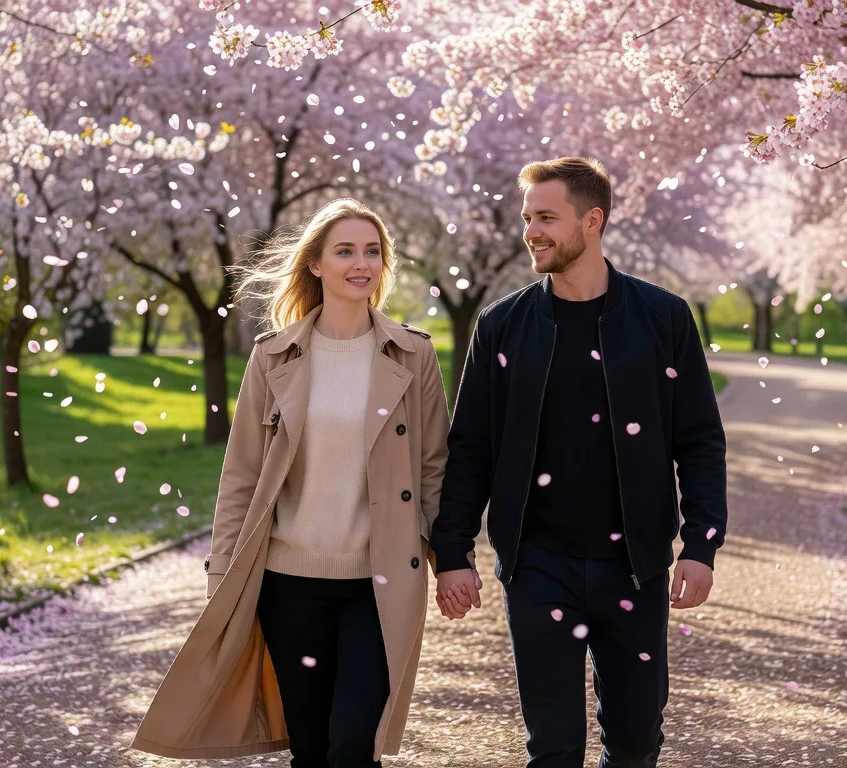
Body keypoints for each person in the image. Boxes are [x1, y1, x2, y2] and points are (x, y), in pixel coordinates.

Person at [130, 198, 462, 767]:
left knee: (355, 746)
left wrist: (448, 558)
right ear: (314, 264)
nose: (362, 263)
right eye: (345, 251)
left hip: (377, 584)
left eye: (373, 251)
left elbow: (433, 468)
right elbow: (241, 476)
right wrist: (221, 574)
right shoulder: (272, 356)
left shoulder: (413, 353)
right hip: (288, 586)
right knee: (309, 749)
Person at [430, 157, 728, 768]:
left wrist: (700, 545)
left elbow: (699, 439)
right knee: (553, 747)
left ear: (592, 221)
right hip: (538, 563)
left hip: (636, 565)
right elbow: (471, 448)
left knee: (637, 743)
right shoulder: (503, 325)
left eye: (546, 217)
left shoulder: (663, 318)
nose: (530, 231)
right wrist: (453, 553)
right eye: (527, 218)